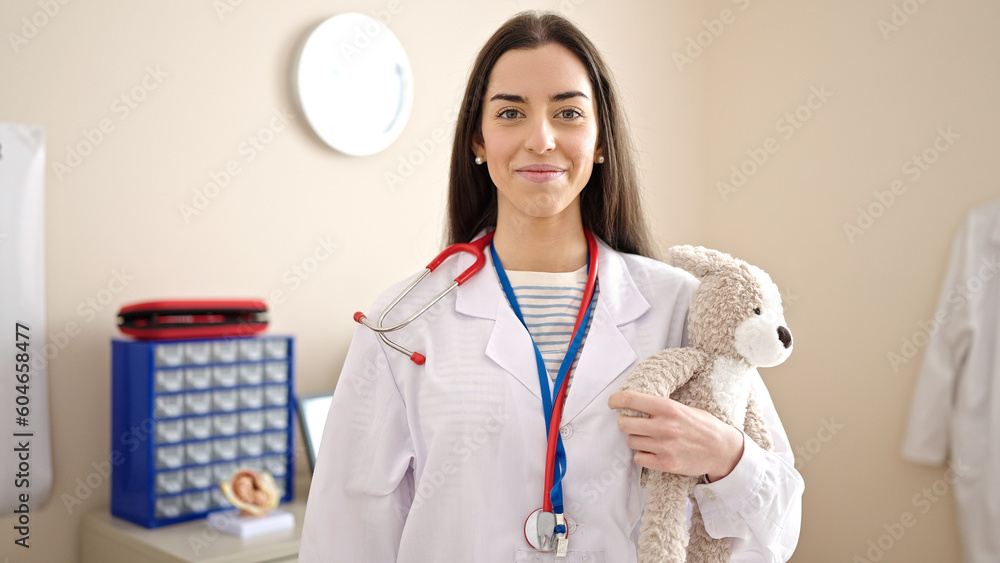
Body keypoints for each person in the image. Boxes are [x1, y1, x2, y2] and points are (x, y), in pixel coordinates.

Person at [300, 10, 803, 562]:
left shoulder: (682, 307)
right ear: (478, 140)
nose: (541, 140)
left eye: (567, 113)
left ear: (601, 141)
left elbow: (779, 527)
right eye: (511, 113)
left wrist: (727, 456)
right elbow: (344, 535)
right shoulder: (403, 320)